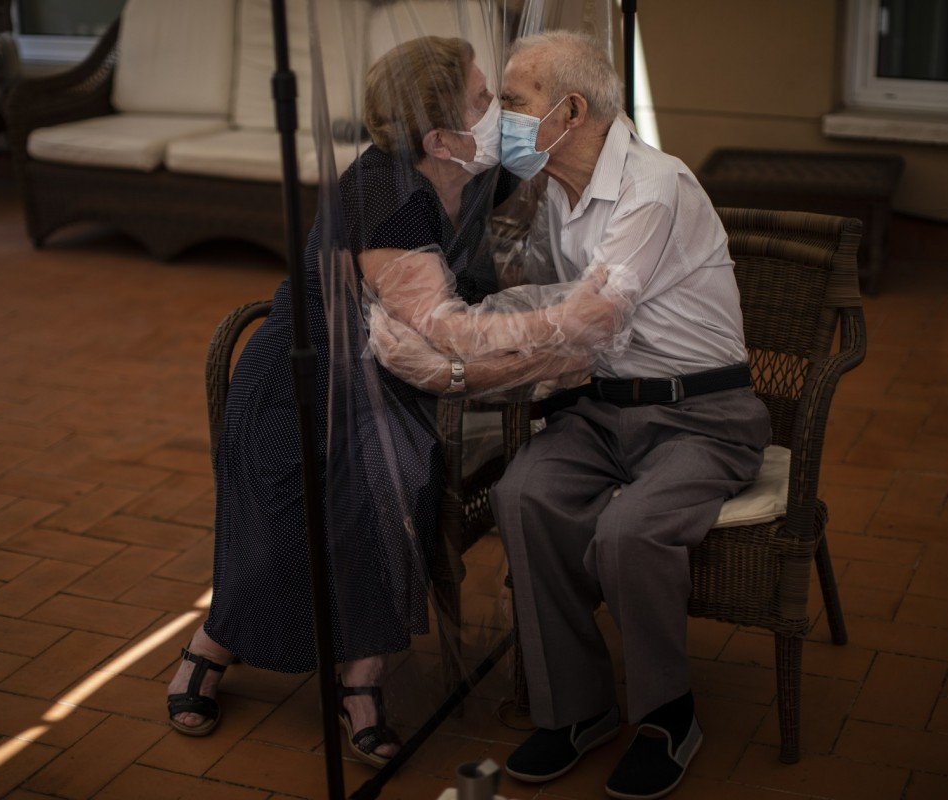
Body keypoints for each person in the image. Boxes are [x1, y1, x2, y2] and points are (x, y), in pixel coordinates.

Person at [165, 35, 622, 768]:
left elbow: (552, 149)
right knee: (318, 507)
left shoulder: (467, 172)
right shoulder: (387, 199)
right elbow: (449, 330)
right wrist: (567, 325)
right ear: (437, 136)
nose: (497, 113)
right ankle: (212, 640)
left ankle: (362, 681)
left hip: (387, 377)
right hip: (302, 380)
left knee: (399, 488)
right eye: (484, 101)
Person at [486, 31, 771, 799]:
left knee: (629, 530)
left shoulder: (656, 184)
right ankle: (577, 710)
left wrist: (465, 356)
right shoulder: (552, 189)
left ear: (569, 111)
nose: (500, 117)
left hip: (702, 415)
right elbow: (540, 298)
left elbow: (587, 316)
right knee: (521, 496)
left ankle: (669, 715)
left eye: (513, 102)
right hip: (604, 413)